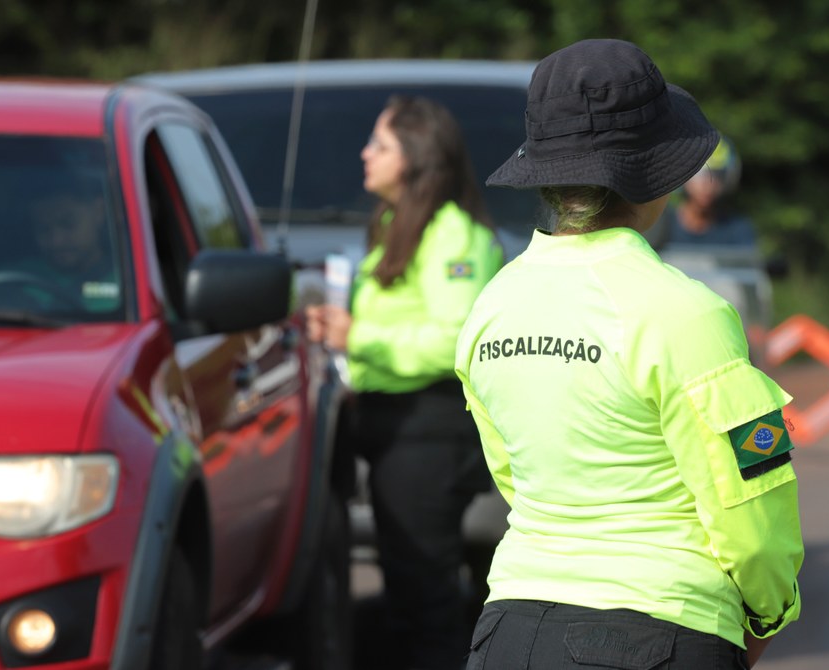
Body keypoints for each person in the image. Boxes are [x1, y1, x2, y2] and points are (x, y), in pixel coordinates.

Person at [454, 39, 803, 669]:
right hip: (661, 632)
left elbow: (516, 478)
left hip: (507, 632)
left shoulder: (491, 307)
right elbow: (752, 503)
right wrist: (770, 611)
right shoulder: (689, 314)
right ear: (658, 175)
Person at [305, 95, 504, 670]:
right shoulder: (394, 222)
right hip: (386, 422)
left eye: (381, 145)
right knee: (405, 589)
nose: (365, 154)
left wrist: (358, 335)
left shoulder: (452, 237)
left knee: (427, 597)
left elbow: (455, 340)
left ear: (415, 157)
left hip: (429, 425)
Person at [0, 175, 119, 312]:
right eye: (43, 229)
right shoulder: (6, 276)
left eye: (68, 224)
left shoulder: (127, 281)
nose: (56, 241)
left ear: (98, 212)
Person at [663, 134, 759, 247]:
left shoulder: (738, 230)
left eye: (718, 175)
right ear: (683, 174)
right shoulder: (661, 226)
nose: (708, 184)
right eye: (699, 174)